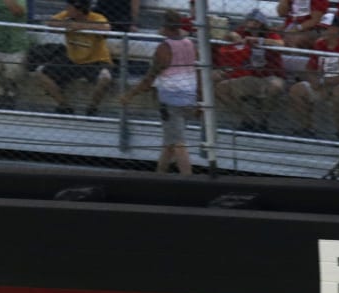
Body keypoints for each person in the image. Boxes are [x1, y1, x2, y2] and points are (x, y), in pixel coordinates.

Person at [120, 11, 197, 174]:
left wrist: (129, 95)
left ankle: (189, 182)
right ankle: (159, 175)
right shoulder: (190, 43)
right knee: (169, 143)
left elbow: (149, 78)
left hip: (171, 100)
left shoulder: (164, 48)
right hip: (189, 95)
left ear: (164, 26)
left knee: (178, 144)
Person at [289, 13, 339, 140]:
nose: (323, 31)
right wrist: (314, 81)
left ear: (337, 29)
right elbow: (310, 68)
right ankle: (307, 129)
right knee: (297, 90)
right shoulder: (320, 44)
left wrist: (324, 82)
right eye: (321, 28)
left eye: (326, 28)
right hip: (324, 84)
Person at [34, 0, 113, 116]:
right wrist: (68, 24)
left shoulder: (96, 17)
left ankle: (92, 108)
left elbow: (106, 28)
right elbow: (51, 23)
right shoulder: (67, 16)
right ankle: (64, 105)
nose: (67, 10)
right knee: (41, 72)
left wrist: (81, 26)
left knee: (105, 77)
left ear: (79, 10)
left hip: (96, 60)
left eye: (70, 8)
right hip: (72, 59)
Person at [216, 9, 286, 133]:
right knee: (222, 88)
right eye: (250, 21)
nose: (253, 24)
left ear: (262, 24)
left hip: (270, 76)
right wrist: (231, 35)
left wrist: (260, 41)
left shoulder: (269, 34)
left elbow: (281, 44)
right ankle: (247, 121)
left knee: (275, 86)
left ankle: (262, 122)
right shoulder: (242, 32)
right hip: (250, 76)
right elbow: (226, 37)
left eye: (256, 22)